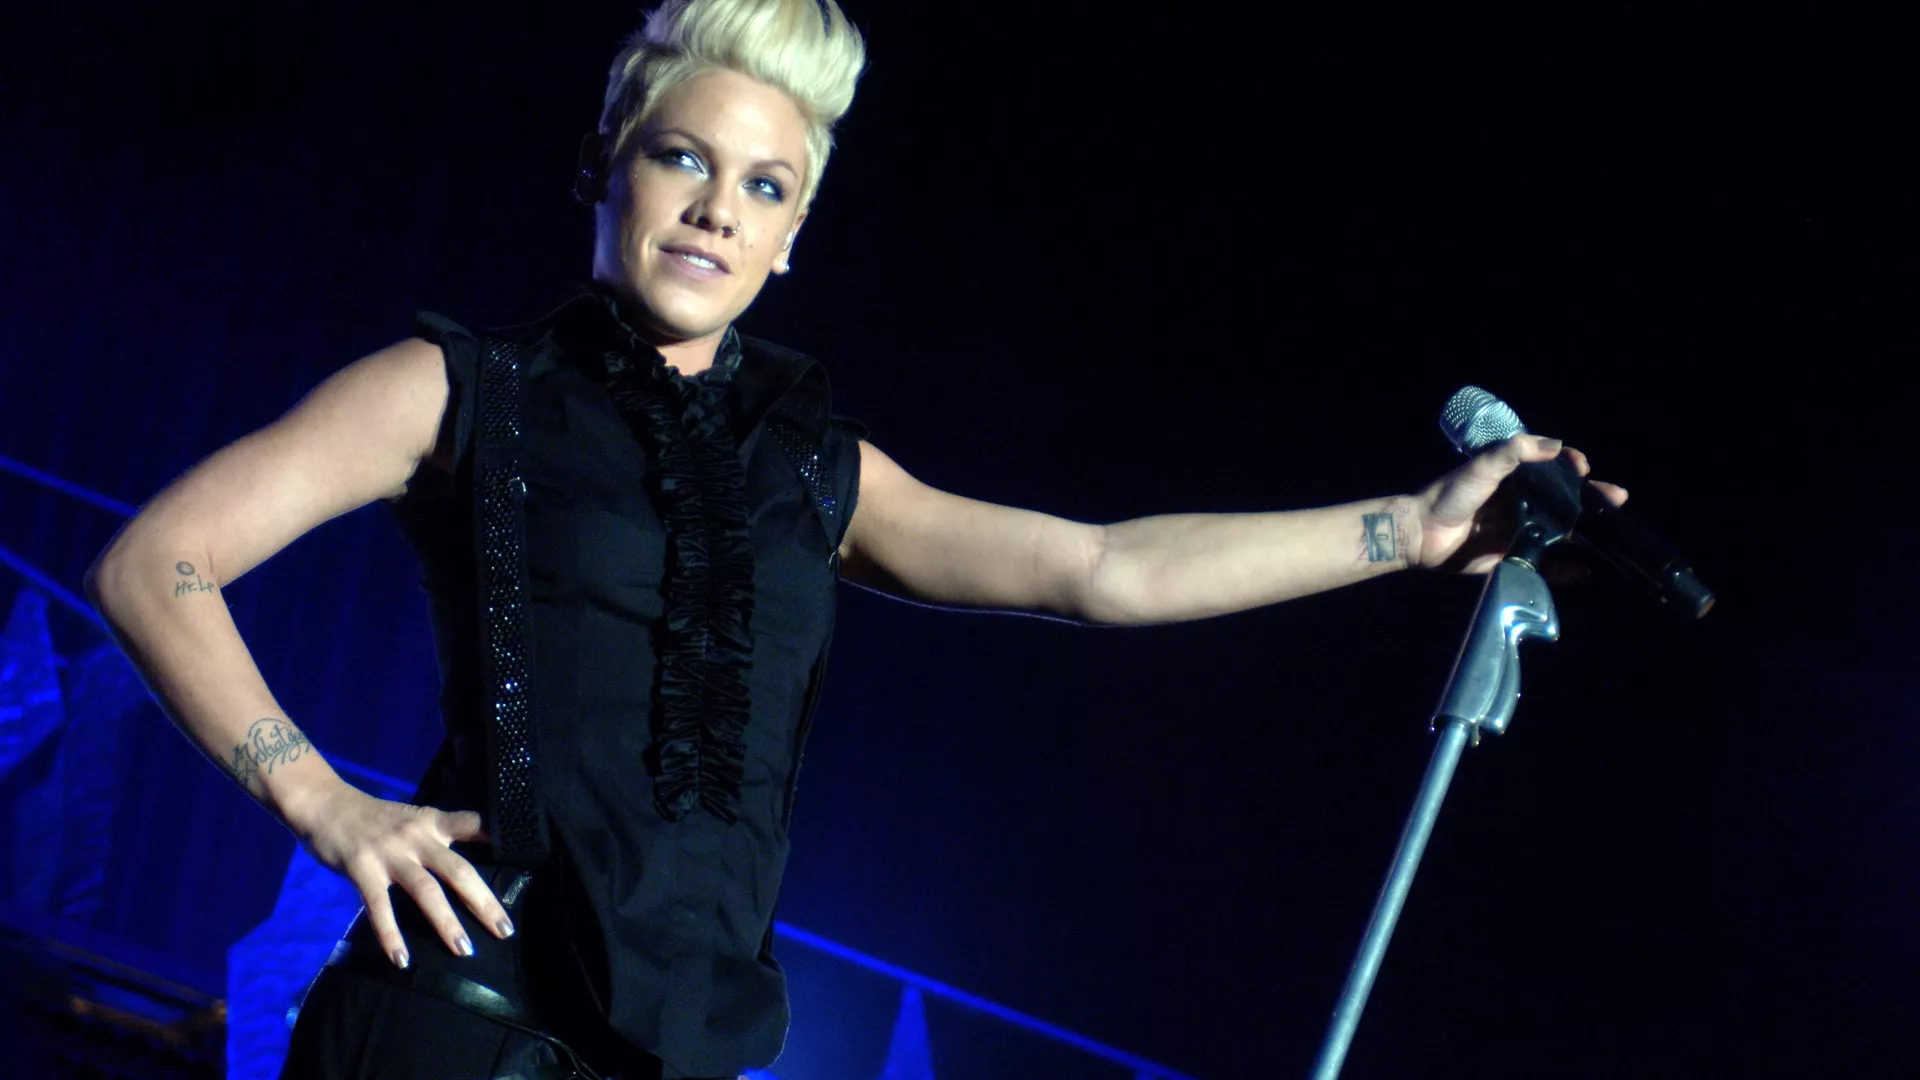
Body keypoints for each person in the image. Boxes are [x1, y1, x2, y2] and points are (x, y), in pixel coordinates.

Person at [85, 1, 1626, 1077]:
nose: (716, 208)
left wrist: (1411, 532)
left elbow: (1100, 570)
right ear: (607, 162)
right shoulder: (456, 390)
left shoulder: (813, 467)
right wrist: (323, 804)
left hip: (675, 1048)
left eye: (764, 186)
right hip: (454, 1026)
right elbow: (157, 563)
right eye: (683, 158)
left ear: (792, 237)